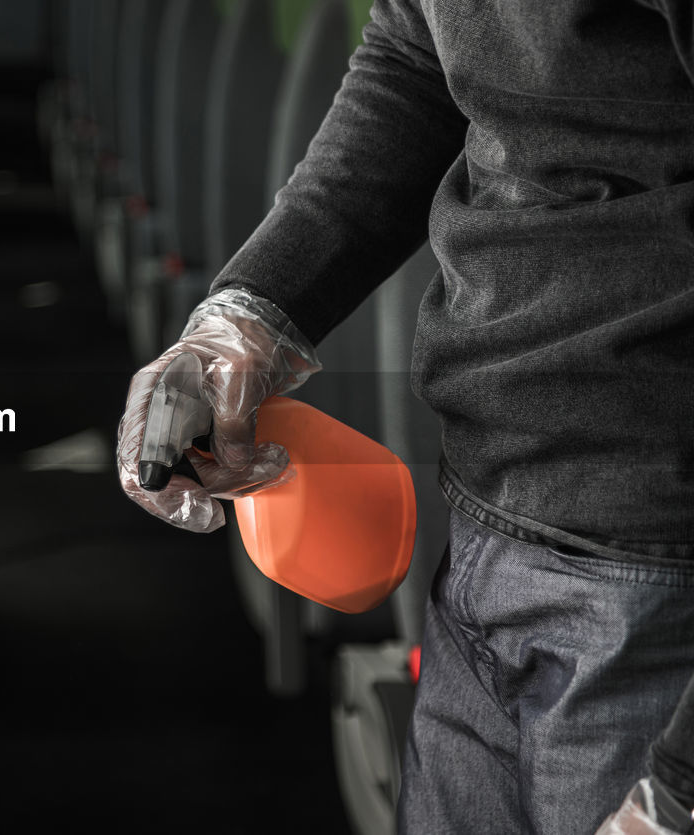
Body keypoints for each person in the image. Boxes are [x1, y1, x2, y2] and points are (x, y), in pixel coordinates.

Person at [116, 0, 694, 832]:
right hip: (487, 516)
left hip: (656, 574)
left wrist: (681, 782)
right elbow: (419, 56)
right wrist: (252, 313)